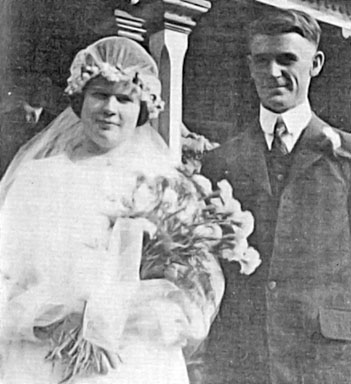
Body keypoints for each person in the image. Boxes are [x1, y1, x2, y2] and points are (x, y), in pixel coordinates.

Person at [0, 36, 226, 384]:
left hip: (132, 360)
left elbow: (193, 292)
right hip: (48, 357)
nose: (110, 108)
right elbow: (6, 278)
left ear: (142, 110)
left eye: (124, 99)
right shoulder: (38, 178)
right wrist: (54, 318)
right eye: (99, 95)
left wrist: (112, 321)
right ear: (79, 100)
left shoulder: (162, 185)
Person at [202, 8, 351, 384]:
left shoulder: (346, 157)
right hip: (242, 357)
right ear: (249, 66)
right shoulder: (221, 161)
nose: (273, 73)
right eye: (262, 61)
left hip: (327, 360)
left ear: (315, 64)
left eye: (287, 60)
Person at [0, 76, 56, 177]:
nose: (44, 93)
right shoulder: (5, 119)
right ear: (27, 90)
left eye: (47, 88)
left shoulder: (55, 121)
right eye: (38, 88)